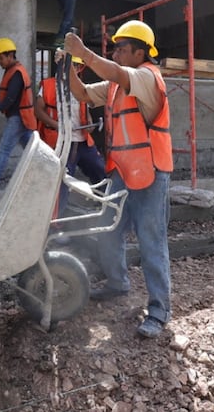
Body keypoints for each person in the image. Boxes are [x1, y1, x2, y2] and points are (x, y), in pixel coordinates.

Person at [63, 20, 173, 339]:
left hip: (150, 173)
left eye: (122, 48)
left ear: (141, 53)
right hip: (123, 171)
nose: (116, 52)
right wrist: (70, 65)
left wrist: (84, 52)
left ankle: (158, 311)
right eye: (115, 48)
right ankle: (117, 282)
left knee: (151, 241)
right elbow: (82, 93)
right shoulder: (115, 86)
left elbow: (116, 72)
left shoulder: (147, 77)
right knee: (108, 230)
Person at [34, 52, 106, 215]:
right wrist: (55, 125)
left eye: (77, 66)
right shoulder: (49, 85)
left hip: (82, 142)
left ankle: (103, 206)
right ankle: (56, 224)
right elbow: (38, 110)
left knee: (100, 170)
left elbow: (84, 112)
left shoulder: (80, 88)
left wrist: (88, 124)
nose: (74, 68)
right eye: (71, 64)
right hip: (62, 143)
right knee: (62, 184)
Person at [0, 37, 37, 191]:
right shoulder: (13, 71)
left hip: (19, 118)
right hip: (24, 119)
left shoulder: (17, 73)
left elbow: (11, 99)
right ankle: (38, 180)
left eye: (0, 58)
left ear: (10, 55)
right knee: (32, 152)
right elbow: (9, 96)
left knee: (5, 150)